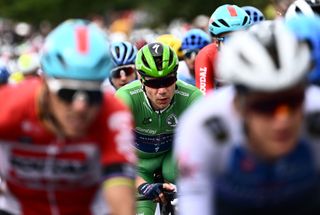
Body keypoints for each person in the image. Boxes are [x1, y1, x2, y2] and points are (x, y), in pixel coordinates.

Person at [174, 21, 320, 215]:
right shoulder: (202, 126)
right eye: (265, 107)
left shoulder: (315, 113)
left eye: (293, 102)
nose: (282, 120)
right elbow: (195, 202)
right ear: (239, 105)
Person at [0, 19, 136, 215]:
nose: (80, 106)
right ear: (45, 82)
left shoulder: (112, 112)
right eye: (68, 93)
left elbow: (122, 201)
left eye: (92, 94)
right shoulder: (10, 105)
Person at [115, 42, 202, 215]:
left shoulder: (192, 97)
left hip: (173, 160)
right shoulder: (124, 99)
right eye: (154, 83)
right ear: (141, 79)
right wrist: (142, 186)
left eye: (168, 81)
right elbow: (115, 158)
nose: (162, 91)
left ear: (176, 76)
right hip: (139, 166)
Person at [194, 4, 250, 94]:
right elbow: (205, 100)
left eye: (242, 37)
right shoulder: (206, 55)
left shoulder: (257, 52)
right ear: (216, 42)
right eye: (229, 39)